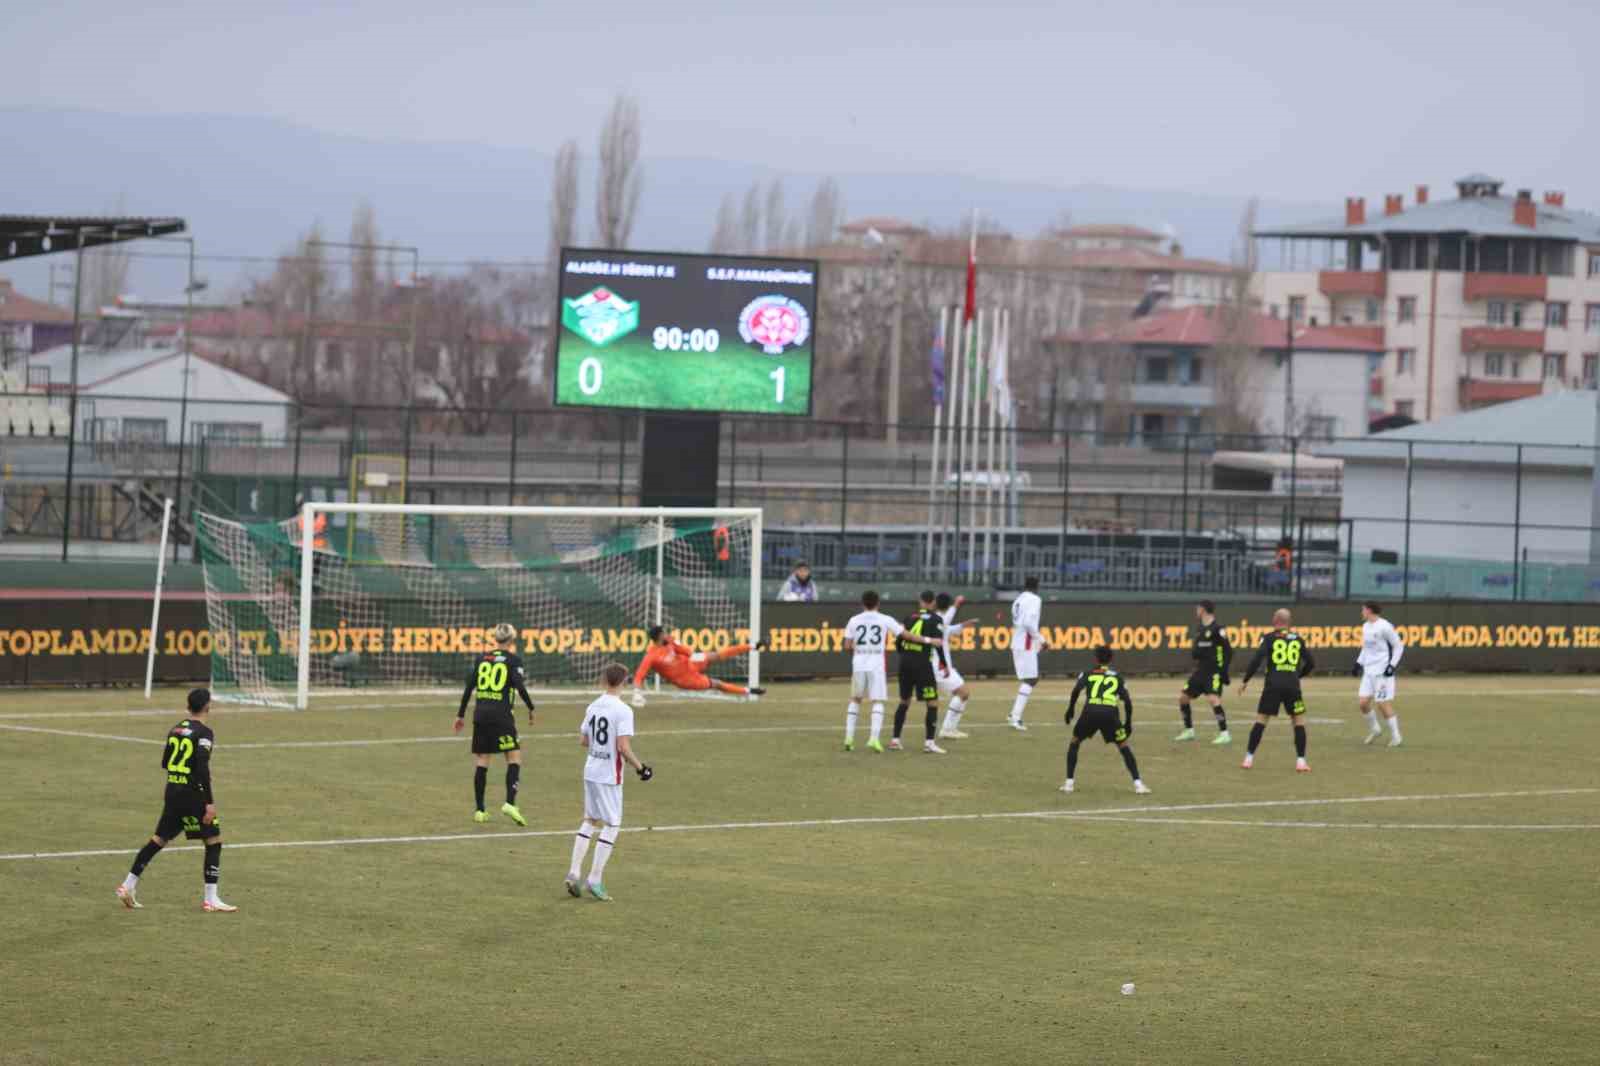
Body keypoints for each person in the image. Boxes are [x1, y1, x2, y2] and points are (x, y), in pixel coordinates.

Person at [116, 688, 236, 913]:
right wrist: (208, 802)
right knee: (213, 841)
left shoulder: (175, 729)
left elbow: (165, 762)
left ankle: (127, 885)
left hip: (173, 791)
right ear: (207, 706)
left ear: (188, 706)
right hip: (193, 795)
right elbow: (201, 766)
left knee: (158, 840)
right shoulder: (205, 732)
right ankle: (211, 899)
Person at [566, 663, 653, 902]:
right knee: (612, 824)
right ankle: (594, 878)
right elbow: (623, 747)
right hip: (608, 775)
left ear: (605, 681)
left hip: (591, 770)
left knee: (590, 820)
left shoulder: (594, 705)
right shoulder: (623, 710)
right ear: (624, 682)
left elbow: (584, 740)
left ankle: (574, 873)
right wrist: (641, 768)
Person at [454, 622, 536, 825]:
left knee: (482, 760)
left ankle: (480, 810)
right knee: (514, 757)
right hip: (501, 715)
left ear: (495, 639)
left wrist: (460, 715)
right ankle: (509, 802)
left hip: (480, 714)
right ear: (512, 640)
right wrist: (531, 707)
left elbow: (468, 688)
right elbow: (519, 686)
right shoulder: (513, 660)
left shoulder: (482, 658)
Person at [842, 589, 935, 752]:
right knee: (877, 701)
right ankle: (873, 739)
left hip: (858, 664)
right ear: (878, 603)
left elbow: (847, 646)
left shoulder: (853, 620)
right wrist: (928, 639)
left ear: (862, 604)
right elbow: (907, 635)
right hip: (876, 664)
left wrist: (858, 653)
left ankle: (849, 738)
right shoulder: (885, 619)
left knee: (855, 699)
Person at [1062, 646, 1150, 795]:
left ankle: (1069, 783)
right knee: (1123, 746)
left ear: (1096, 658)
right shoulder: (1117, 676)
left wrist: (1070, 709)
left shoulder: (1088, 673)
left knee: (1075, 742)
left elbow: (1076, 690)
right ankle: (1138, 784)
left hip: (1090, 712)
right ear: (1110, 659)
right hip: (1110, 714)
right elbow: (1127, 701)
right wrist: (1128, 723)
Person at [1237, 608, 1315, 772]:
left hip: (1273, 685)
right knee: (1298, 721)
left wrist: (1245, 680)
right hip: (1292, 686)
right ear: (1289, 622)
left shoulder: (1269, 638)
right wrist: (1298, 675)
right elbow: (1311, 663)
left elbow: (1257, 659)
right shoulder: (1298, 639)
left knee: (1261, 720)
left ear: (1275, 620)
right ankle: (1301, 761)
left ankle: (1248, 759)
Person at [632, 626, 767, 702]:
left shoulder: (669, 641)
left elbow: (686, 652)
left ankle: (753, 646)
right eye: (664, 633)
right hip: (685, 680)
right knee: (716, 684)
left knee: (716, 655)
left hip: (690, 663)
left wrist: (691, 653)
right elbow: (639, 675)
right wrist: (637, 692)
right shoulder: (651, 655)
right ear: (659, 637)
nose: (666, 634)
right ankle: (749, 691)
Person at [892, 591, 947, 754]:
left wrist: (905, 655)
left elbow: (898, 641)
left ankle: (895, 740)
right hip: (922, 664)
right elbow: (938, 643)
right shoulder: (937, 620)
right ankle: (929, 743)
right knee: (932, 702)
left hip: (905, 663)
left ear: (921, 601)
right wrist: (944, 662)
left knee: (904, 701)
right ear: (933, 602)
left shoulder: (909, 617)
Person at [1175, 600, 1233, 745]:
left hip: (1213, 672)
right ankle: (1189, 730)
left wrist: (1223, 671)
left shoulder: (1218, 629)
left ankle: (1225, 733)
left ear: (1203, 610)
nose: (1196, 611)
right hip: (1200, 670)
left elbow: (1229, 651)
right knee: (1183, 698)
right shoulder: (1200, 628)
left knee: (1213, 699)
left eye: (1197, 608)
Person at [1354, 601, 1404, 747]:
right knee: (1363, 703)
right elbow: (1366, 647)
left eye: (1363, 609)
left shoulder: (1384, 626)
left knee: (1382, 703)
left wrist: (1392, 666)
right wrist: (1358, 663)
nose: (1362, 612)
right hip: (1368, 671)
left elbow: (1398, 646)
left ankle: (1396, 736)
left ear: (1369, 610)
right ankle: (1375, 730)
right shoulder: (1365, 626)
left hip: (1382, 672)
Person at [1008, 576, 1049, 731]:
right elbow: (1028, 623)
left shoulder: (1018, 599)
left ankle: (1013, 715)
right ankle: (1015, 717)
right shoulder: (1035, 599)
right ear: (1037, 586)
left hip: (1018, 642)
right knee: (1031, 679)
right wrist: (1042, 640)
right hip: (1025, 643)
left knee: (1029, 679)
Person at [934, 592, 975, 739]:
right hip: (941, 668)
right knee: (963, 693)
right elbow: (948, 619)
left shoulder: (936, 621)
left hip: (939, 668)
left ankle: (951, 729)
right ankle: (947, 729)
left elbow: (948, 628)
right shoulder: (941, 618)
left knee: (963, 694)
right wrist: (957, 603)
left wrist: (963, 624)